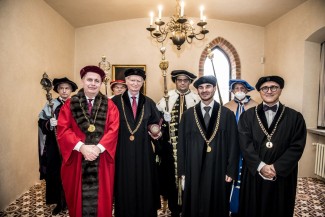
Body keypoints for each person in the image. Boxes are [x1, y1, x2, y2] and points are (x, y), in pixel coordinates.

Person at [238, 75, 307, 217]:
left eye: (273, 87)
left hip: (282, 175)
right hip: (254, 174)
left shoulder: (295, 117)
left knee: (279, 208)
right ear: (260, 91)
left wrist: (277, 167)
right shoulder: (247, 116)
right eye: (265, 88)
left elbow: (297, 146)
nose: (269, 91)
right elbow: (245, 144)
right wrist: (261, 166)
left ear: (280, 90)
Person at [57, 65, 120, 217]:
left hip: (102, 159)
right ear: (83, 81)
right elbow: (63, 129)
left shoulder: (110, 105)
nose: (93, 83)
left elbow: (114, 129)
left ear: (100, 83)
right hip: (77, 157)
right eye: (89, 80)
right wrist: (81, 147)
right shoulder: (70, 104)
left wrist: (98, 148)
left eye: (96, 81)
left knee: (103, 199)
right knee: (76, 200)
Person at [177, 75, 240, 217]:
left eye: (208, 86)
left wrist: (231, 171)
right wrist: (182, 171)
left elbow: (233, 144)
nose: (204, 90)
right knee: (194, 203)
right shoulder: (188, 115)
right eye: (201, 87)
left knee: (216, 202)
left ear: (214, 88)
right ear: (197, 91)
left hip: (219, 167)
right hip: (193, 168)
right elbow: (181, 145)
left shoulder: (227, 114)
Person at [112, 68, 162, 217]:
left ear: (142, 83)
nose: (135, 83)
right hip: (122, 151)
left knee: (144, 184)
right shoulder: (114, 102)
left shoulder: (149, 102)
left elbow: (156, 123)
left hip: (144, 152)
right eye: (132, 80)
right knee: (124, 185)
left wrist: (157, 132)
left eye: (138, 81)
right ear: (126, 81)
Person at [156, 70, 199, 217]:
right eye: (179, 80)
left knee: (191, 175)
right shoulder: (166, 99)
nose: (182, 83)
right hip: (171, 147)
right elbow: (158, 124)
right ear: (175, 81)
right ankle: (174, 209)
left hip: (192, 147)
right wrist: (163, 120)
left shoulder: (196, 99)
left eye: (185, 80)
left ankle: (189, 208)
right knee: (171, 179)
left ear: (189, 82)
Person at [38, 77, 78, 215]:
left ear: (71, 90)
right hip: (55, 145)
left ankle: (73, 199)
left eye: (67, 88)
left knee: (73, 172)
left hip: (73, 143)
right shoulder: (51, 104)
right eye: (61, 88)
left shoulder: (76, 103)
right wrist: (49, 123)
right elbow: (41, 122)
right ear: (57, 90)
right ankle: (59, 202)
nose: (64, 91)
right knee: (56, 172)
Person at [224, 79, 258, 216]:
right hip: (232, 147)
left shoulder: (256, 106)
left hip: (250, 147)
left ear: (247, 90)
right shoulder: (227, 106)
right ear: (232, 91)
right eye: (236, 88)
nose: (239, 91)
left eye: (242, 88)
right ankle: (233, 206)